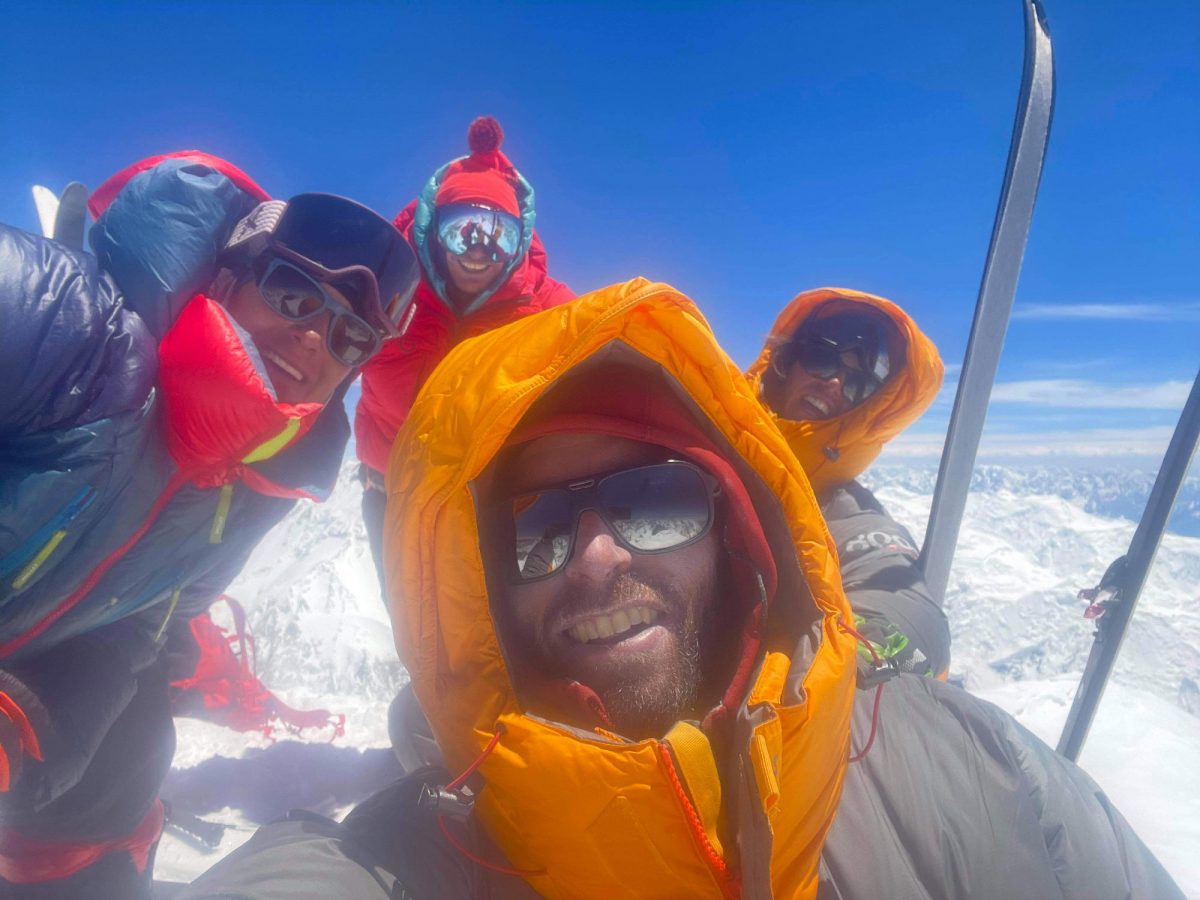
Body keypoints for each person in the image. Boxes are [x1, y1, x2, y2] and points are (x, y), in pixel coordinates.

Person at [178, 279, 1182, 899]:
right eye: (531, 534)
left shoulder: (970, 771)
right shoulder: (411, 858)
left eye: (658, 503)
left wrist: (853, 670)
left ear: (740, 534)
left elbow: (899, 600)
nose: (599, 557)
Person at [0, 151, 418, 897]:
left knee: (135, 746)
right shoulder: (70, 328)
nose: (318, 340)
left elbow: (142, 629)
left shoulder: (262, 490)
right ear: (227, 281)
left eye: (352, 338)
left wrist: (32, 711)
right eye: (295, 295)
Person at [354, 115, 574, 586]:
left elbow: (610, 348)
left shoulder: (546, 308)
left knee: (490, 635)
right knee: (412, 627)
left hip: (489, 502)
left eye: (497, 235)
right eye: (463, 230)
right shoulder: (385, 287)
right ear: (435, 230)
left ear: (518, 243)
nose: (478, 250)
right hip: (389, 494)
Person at [746, 287, 951, 678]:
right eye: (822, 360)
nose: (835, 385)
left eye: (858, 384)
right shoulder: (697, 425)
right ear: (787, 360)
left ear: (868, 410)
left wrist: (853, 657)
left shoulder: (847, 514)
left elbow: (911, 615)